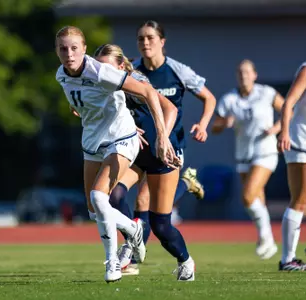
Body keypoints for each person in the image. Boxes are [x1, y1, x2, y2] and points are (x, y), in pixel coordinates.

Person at [55, 25, 179, 283]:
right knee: (93, 211)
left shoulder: (101, 71)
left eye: (74, 48)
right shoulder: (61, 75)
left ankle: (113, 263)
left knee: (100, 199)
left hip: (121, 140)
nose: (69, 53)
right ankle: (134, 228)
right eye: (63, 48)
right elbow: (81, 98)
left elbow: (147, 92)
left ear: (85, 49)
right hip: (92, 143)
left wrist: (162, 136)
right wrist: (78, 107)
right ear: (57, 51)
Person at [95, 44, 206, 279]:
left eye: (106, 68)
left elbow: (171, 109)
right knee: (112, 195)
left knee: (161, 226)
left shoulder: (136, 81)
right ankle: (130, 242)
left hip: (160, 152)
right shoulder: (100, 84)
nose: (101, 73)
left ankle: (186, 262)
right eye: (98, 67)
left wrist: (162, 139)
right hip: (134, 152)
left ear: (121, 66)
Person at [212, 59, 284, 260]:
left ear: (255, 75)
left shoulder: (266, 93)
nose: (244, 76)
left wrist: (276, 129)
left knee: (248, 195)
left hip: (266, 151)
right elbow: (215, 128)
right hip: (243, 154)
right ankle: (267, 240)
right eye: (240, 73)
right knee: (255, 200)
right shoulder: (229, 99)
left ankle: (267, 239)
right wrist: (224, 123)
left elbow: (288, 110)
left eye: (247, 72)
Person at [277, 61, 306, 271]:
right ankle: (287, 259)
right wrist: (284, 132)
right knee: (300, 200)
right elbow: (288, 103)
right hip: (300, 141)